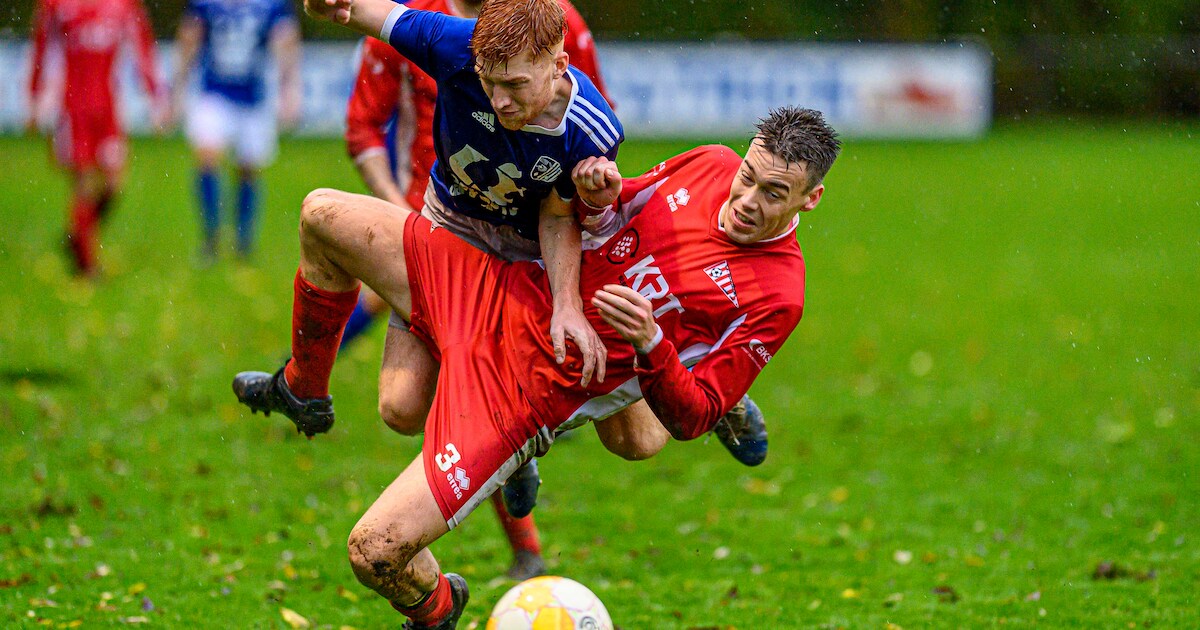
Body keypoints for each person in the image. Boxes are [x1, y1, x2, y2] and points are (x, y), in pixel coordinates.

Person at [234, 105, 840, 628]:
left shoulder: (777, 296)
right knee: (322, 214)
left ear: (809, 199)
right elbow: (608, 206)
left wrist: (654, 342)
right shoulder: (707, 163)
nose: (746, 201)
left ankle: (438, 609)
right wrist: (598, 192)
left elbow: (691, 416)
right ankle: (304, 391)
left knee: (375, 551)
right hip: (495, 289)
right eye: (748, 178)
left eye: (773, 194)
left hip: (523, 397)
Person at [339, 0, 613, 349]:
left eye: (514, 84)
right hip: (435, 205)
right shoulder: (425, 21)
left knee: (557, 356)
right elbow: (363, 130)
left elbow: (588, 131)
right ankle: (303, 378)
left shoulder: (555, 21)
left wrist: (594, 193)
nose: (500, 99)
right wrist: (398, 211)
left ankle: (300, 377)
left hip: (530, 227)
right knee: (403, 396)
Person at [27, 0, 165, 278]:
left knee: (114, 184)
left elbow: (142, 47)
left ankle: (77, 234)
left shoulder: (124, 6)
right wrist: (35, 96)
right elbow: (42, 48)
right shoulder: (56, 5)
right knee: (85, 183)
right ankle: (87, 268)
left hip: (108, 107)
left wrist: (155, 97)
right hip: (73, 107)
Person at [168, 0, 302, 262]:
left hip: (253, 96)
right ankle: (212, 237)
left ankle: (243, 241)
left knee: (248, 169)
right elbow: (188, 39)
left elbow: (287, 43)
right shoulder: (206, 4)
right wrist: (179, 88)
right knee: (207, 156)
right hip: (214, 92)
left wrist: (289, 91)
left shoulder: (272, 5)